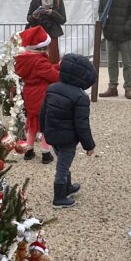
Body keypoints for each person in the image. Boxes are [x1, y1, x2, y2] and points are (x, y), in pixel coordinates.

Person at [40, 52, 96, 209]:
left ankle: (67, 187)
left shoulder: (52, 88)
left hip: (52, 136)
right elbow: (82, 124)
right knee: (62, 167)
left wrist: (43, 130)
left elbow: (43, 112)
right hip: (68, 139)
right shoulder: (81, 97)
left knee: (63, 162)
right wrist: (89, 146)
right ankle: (59, 197)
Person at [14, 25, 60, 163]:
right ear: (41, 48)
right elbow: (53, 76)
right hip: (41, 94)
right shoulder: (39, 61)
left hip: (29, 92)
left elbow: (44, 71)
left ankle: (29, 150)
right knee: (45, 124)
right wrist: (61, 69)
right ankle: (46, 152)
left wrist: (55, 66)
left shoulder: (25, 60)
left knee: (32, 122)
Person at [26, 0, 67, 64]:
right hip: (38, 35)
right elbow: (28, 17)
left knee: (53, 61)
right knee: (38, 61)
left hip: (52, 36)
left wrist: (52, 12)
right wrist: (34, 16)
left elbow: (63, 20)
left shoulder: (58, 0)